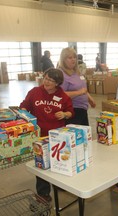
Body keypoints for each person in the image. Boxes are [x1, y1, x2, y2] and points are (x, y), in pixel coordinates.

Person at [19, 68, 74, 202]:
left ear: (58, 83)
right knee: (41, 164)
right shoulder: (35, 92)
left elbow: (70, 112)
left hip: (57, 136)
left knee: (59, 161)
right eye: (46, 78)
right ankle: (43, 194)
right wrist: (24, 113)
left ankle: (60, 184)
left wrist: (64, 114)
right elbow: (24, 106)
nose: (47, 82)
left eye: (51, 80)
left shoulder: (63, 96)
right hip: (39, 136)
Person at [58, 47, 96, 126]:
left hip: (83, 109)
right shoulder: (62, 74)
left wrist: (89, 99)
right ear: (63, 59)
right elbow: (60, 95)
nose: (73, 60)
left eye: (75, 57)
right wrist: (79, 93)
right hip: (72, 111)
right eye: (70, 58)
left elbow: (83, 89)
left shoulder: (77, 72)